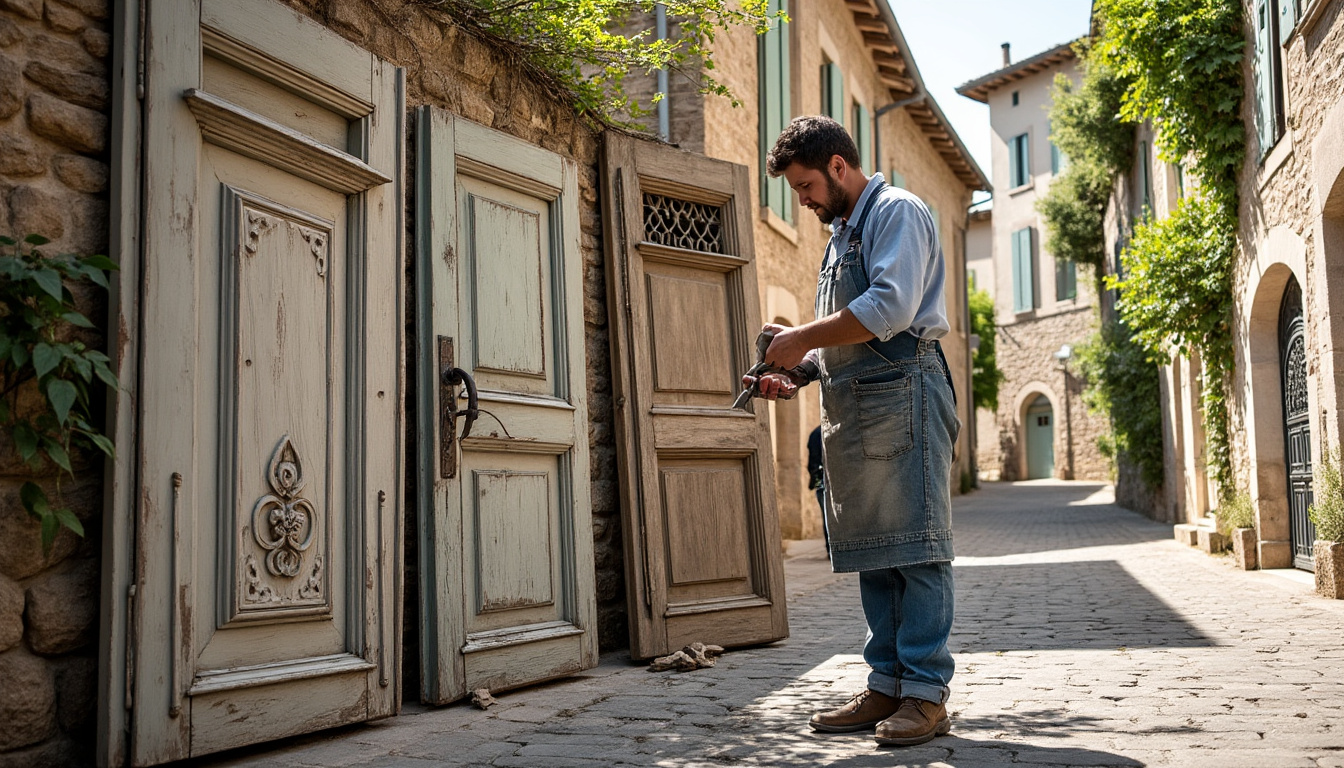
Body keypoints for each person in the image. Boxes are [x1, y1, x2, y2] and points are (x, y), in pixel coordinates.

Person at [746, 115, 958, 747]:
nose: (804, 200)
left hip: (906, 396)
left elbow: (889, 310)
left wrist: (801, 337)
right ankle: (886, 685)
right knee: (875, 549)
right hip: (859, 403)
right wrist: (799, 372)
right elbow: (842, 335)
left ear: (839, 166)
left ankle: (925, 694)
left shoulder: (897, 212)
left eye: (807, 186)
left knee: (917, 548)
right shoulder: (843, 231)